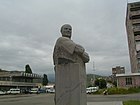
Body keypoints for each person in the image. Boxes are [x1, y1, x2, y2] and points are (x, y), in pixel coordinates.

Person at [53, 24, 89, 105]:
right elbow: (80, 50)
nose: (68, 30)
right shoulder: (61, 40)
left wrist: (83, 54)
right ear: (61, 31)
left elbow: (86, 58)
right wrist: (82, 54)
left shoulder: (69, 42)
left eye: (70, 29)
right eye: (66, 29)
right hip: (65, 71)